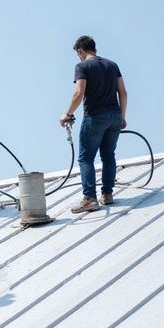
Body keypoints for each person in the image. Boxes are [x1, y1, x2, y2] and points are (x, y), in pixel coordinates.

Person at [59, 35, 128, 213]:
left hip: (95, 117)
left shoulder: (82, 66)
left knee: (86, 158)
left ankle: (90, 198)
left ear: (80, 50)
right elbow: (123, 93)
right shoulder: (112, 65)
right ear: (95, 49)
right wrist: (122, 116)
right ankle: (107, 194)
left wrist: (68, 114)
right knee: (108, 155)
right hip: (114, 116)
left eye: (78, 54)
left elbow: (79, 92)